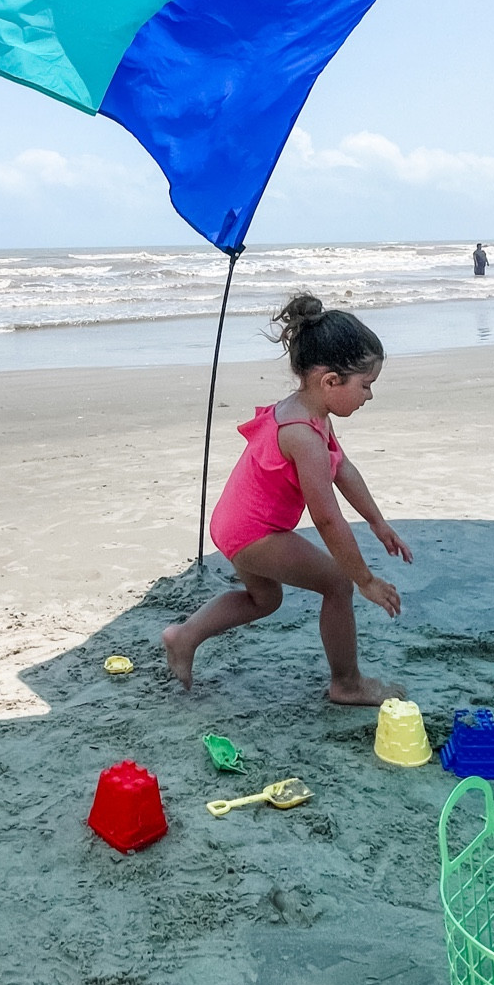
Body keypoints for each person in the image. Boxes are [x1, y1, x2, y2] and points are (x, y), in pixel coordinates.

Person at [162, 294, 414, 705]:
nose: (369, 396)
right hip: (254, 533)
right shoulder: (301, 434)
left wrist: (377, 521)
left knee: (265, 599)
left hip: (235, 523)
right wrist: (364, 579)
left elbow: (343, 469)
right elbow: (328, 520)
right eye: (365, 386)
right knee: (337, 583)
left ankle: (183, 636)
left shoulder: (310, 411)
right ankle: (346, 684)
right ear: (330, 381)